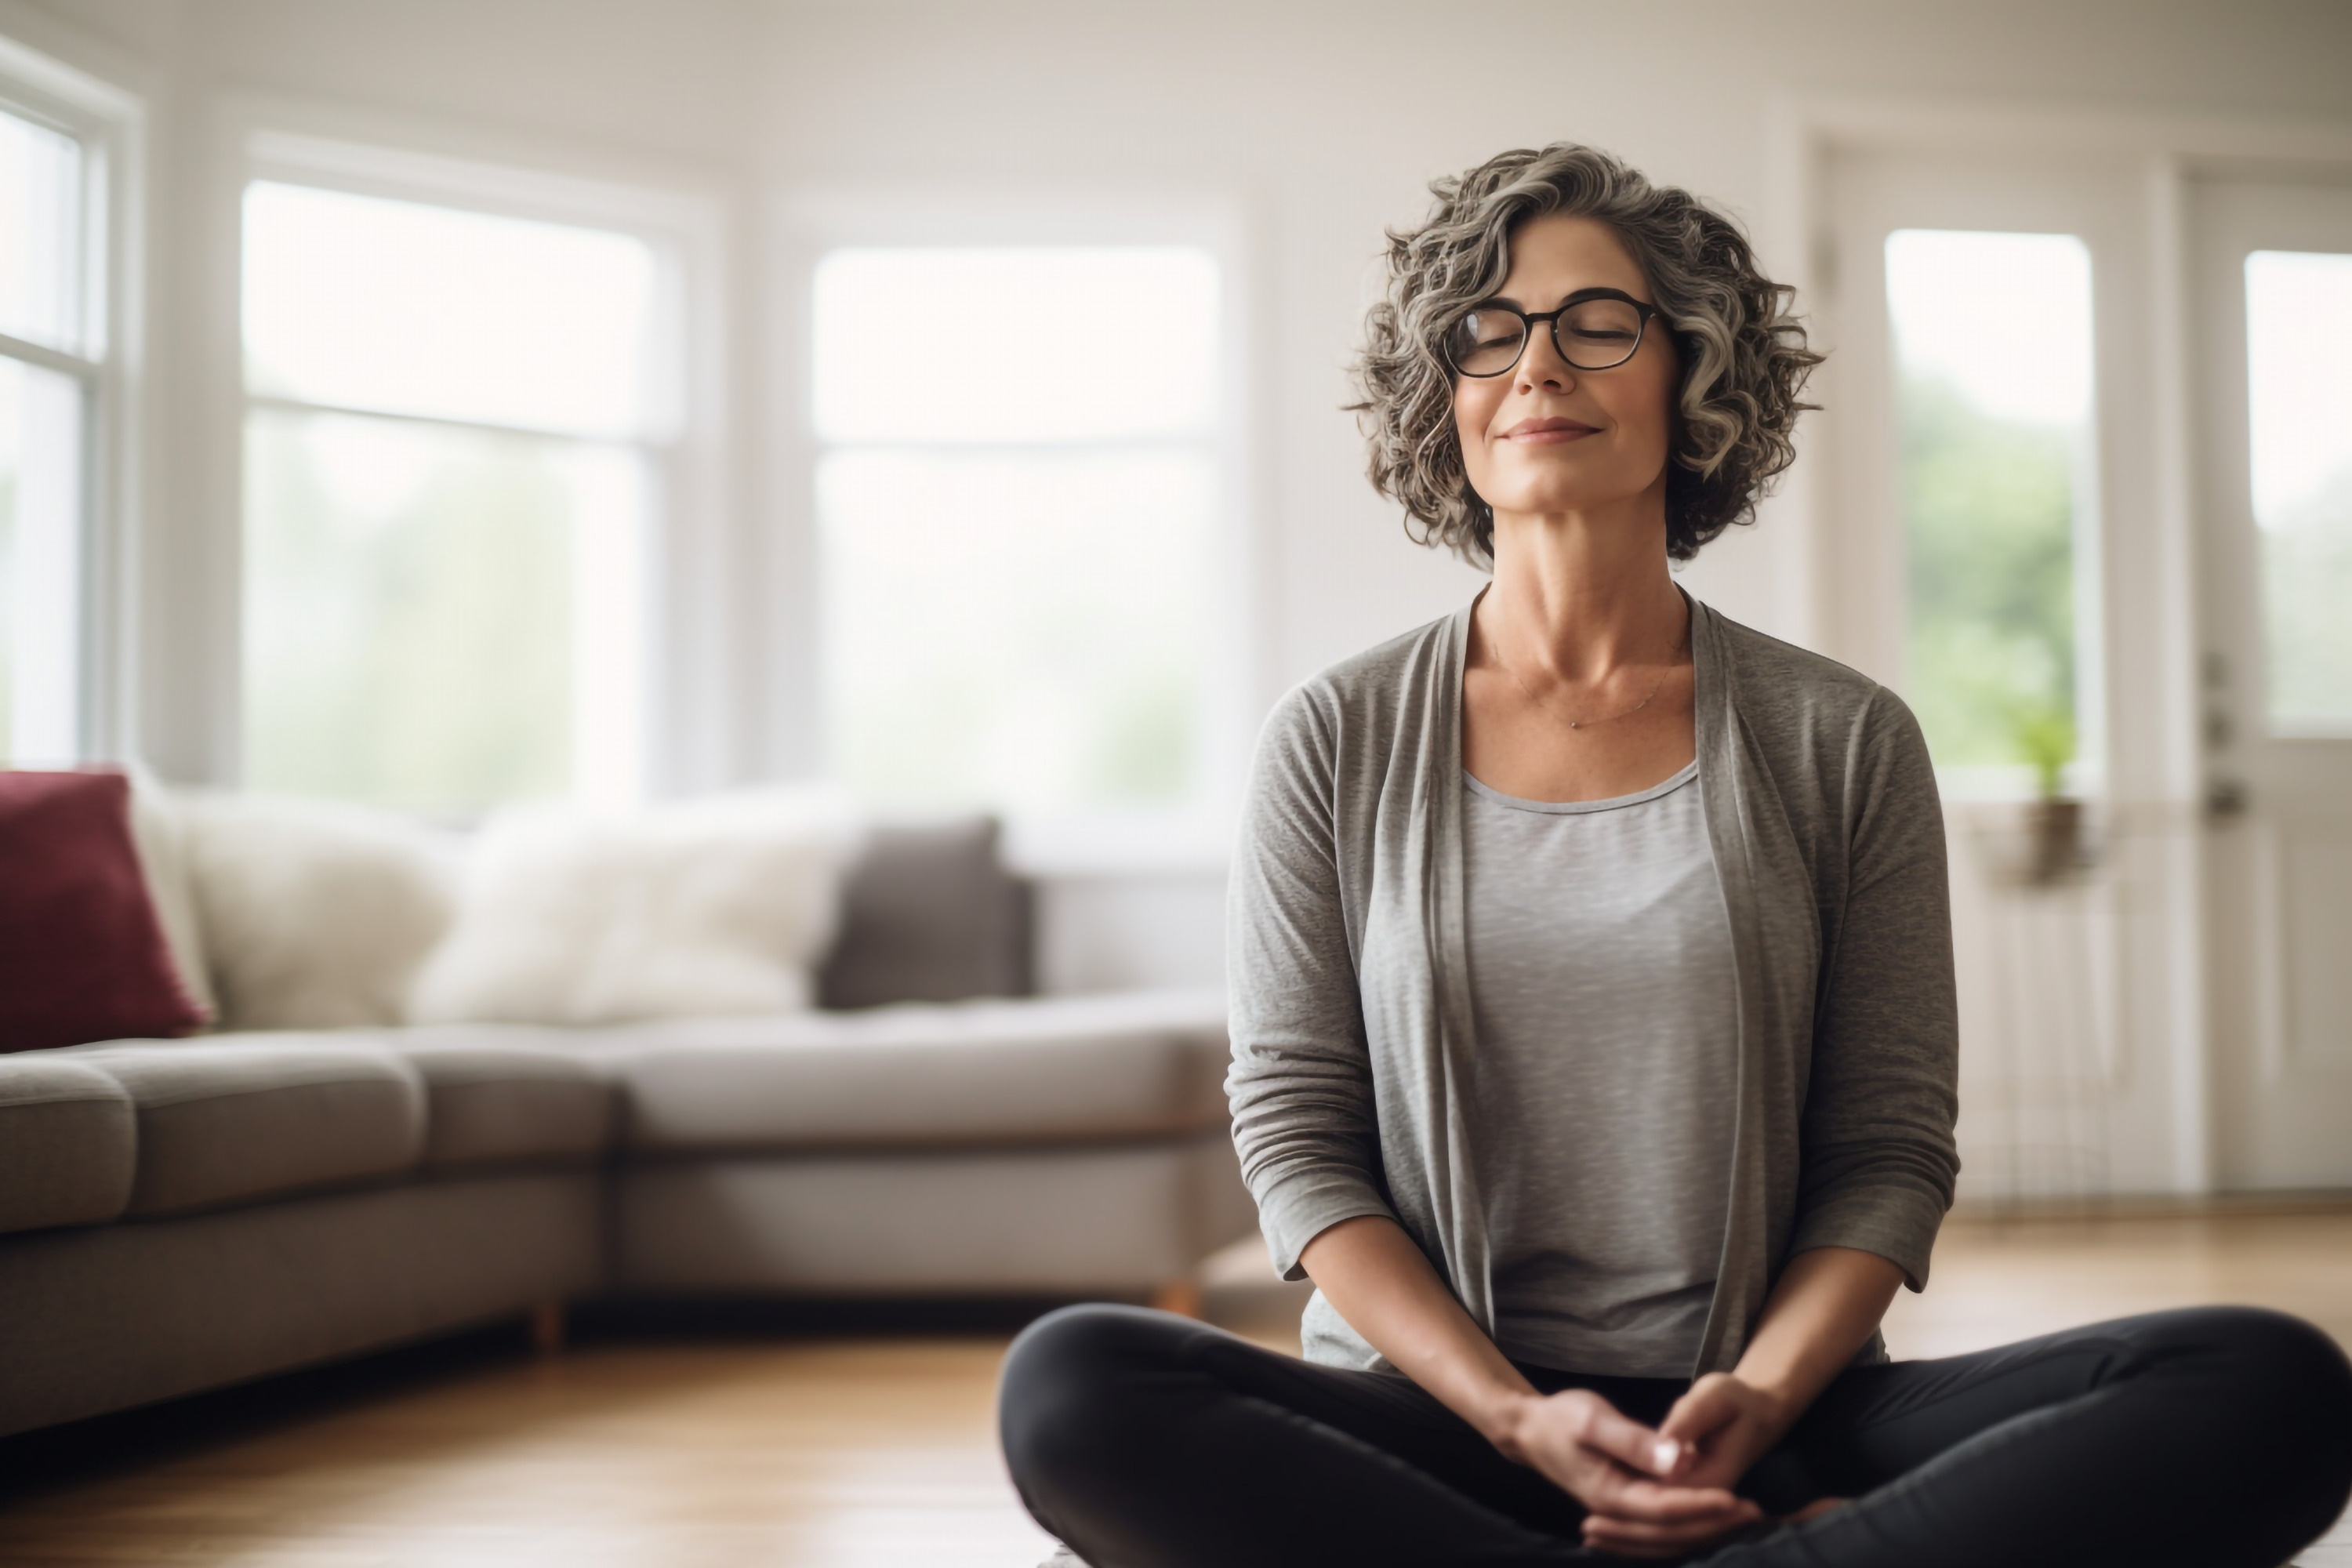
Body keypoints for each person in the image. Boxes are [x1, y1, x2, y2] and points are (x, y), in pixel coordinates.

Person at [997, 143, 2352, 1567]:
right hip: (1440, 1422)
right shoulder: (1331, 738)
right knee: (1075, 1385)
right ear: (1442, 396)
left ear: (1692, 374)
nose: (1537, 366)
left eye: (1597, 323)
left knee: (2267, 1384)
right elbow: (1300, 1147)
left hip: (1764, 1417)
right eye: (1488, 330)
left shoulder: (1845, 737)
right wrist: (1520, 1420)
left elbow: (1887, 1153)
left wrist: (1759, 1401)